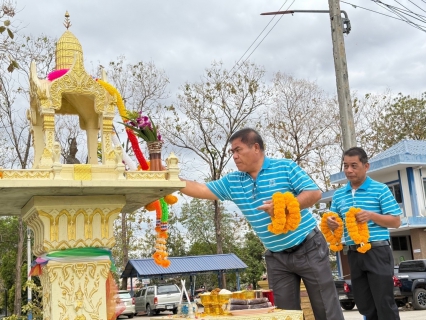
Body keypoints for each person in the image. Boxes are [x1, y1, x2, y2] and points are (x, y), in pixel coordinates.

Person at [180, 128, 344, 320]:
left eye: (238, 150)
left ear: (255, 147)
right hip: (276, 257)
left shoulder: (285, 167)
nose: (234, 156)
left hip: (309, 247)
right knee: (284, 315)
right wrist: (171, 181)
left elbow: (314, 193)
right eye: (232, 152)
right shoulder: (234, 181)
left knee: (326, 309)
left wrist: (283, 207)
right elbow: (202, 188)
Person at [327, 147, 401, 320]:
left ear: (366, 166)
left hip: (377, 251)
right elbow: (335, 223)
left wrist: (371, 216)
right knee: (364, 304)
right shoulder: (338, 196)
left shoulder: (380, 189)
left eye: (354, 165)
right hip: (353, 252)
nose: (349, 170)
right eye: (345, 166)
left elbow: (396, 221)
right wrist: (332, 224)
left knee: (384, 302)